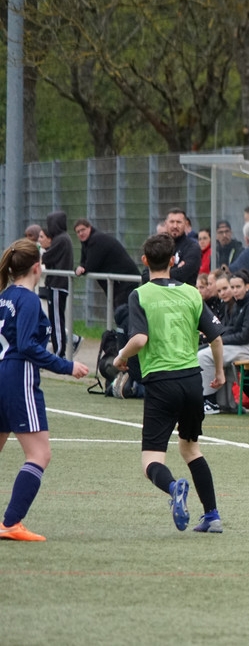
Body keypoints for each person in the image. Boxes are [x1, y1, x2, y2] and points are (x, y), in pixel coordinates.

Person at [113, 233, 226, 533]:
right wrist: (221, 372)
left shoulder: (141, 294)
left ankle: (175, 487)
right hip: (192, 381)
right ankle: (212, 515)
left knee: (151, 461)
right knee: (191, 449)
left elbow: (139, 339)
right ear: (174, 259)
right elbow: (215, 337)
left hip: (162, 383)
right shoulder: (191, 293)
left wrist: (120, 357)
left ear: (145, 260)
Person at [0, 239, 89, 541]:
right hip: (17, 377)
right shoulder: (27, 300)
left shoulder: (4, 297)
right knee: (39, 454)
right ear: (37, 267)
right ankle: (11, 523)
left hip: (2, 374)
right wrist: (67, 366)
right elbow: (26, 346)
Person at [199, 269, 249, 413]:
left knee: (205, 356)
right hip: (246, 345)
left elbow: (245, 336)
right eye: (233, 287)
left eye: (238, 287)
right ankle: (225, 403)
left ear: (247, 286)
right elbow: (232, 329)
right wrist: (214, 337)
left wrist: (220, 341)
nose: (235, 291)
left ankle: (209, 401)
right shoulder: (240, 303)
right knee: (206, 351)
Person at [74, 218, 140, 309]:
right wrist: (80, 268)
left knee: (122, 312)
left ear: (89, 228)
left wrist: (81, 270)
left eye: (83, 230)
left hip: (124, 280)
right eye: (78, 232)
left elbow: (91, 266)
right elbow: (84, 261)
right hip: (118, 282)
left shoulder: (96, 240)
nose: (81, 233)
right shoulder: (87, 243)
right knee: (120, 311)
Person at [39, 212, 74, 358]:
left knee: (57, 320)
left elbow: (47, 257)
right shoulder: (63, 239)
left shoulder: (61, 240)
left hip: (58, 284)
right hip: (57, 284)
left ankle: (60, 351)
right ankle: (59, 349)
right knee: (55, 319)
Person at [159, 209, 201, 286]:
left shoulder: (192, 247)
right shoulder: (158, 246)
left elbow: (183, 274)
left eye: (179, 222)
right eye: (172, 222)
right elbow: (145, 274)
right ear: (166, 224)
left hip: (184, 295)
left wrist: (157, 274)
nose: (175, 226)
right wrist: (175, 268)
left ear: (186, 224)